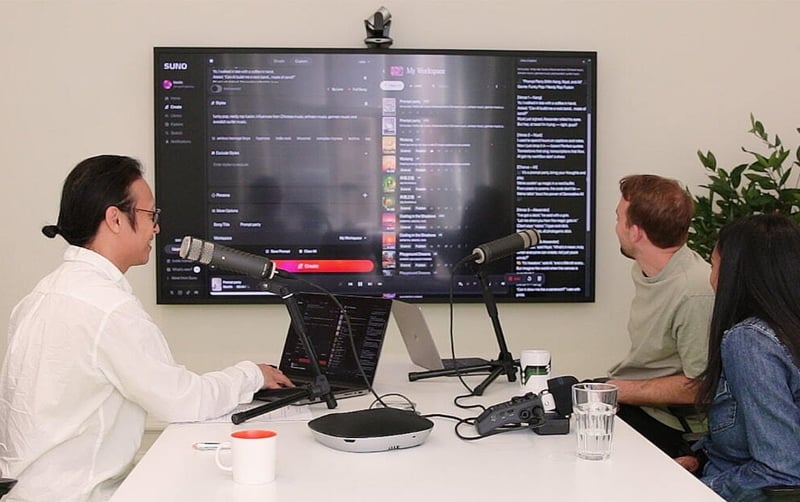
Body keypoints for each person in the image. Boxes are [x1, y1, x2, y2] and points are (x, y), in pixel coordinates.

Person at [0, 155, 293, 501]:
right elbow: (183, 401)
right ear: (114, 219)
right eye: (150, 215)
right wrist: (253, 374)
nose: (156, 227)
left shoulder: (41, 295)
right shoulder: (107, 308)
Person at [605, 174, 715, 459]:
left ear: (636, 232)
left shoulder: (694, 292)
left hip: (674, 426)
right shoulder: (648, 270)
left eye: (619, 218)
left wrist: (618, 391)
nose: (615, 227)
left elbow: (700, 387)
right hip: (640, 403)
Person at [695, 214, 800, 500]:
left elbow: (782, 472)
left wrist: (691, 489)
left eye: (713, 264)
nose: (711, 278)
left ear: (734, 273)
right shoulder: (784, 332)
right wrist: (698, 458)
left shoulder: (749, 341)